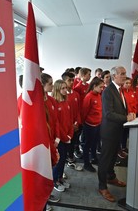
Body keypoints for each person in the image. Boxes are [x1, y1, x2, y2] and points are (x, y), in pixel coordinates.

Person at [98, 66, 136, 202]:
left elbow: (120, 109)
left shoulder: (120, 90)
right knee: (105, 159)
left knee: (114, 156)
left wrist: (128, 114)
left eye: (125, 73)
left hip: (117, 130)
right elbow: (108, 114)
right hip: (109, 131)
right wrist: (126, 118)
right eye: (122, 74)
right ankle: (102, 186)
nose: (125, 76)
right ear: (114, 76)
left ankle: (111, 176)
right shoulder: (108, 91)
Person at [41, 73, 61, 205]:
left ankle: (47, 195)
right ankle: (43, 200)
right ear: (42, 85)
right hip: (45, 145)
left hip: (54, 141)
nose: (52, 86)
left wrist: (58, 138)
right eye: (50, 84)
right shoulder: (36, 104)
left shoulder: (51, 100)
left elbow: (56, 121)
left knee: (49, 171)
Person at [52, 80, 74, 192]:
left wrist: (70, 134)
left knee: (64, 158)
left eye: (66, 88)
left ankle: (60, 178)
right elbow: (56, 124)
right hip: (60, 138)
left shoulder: (67, 102)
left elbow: (69, 120)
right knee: (59, 160)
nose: (66, 90)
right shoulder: (54, 103)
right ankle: (55, 180)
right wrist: (64, 137)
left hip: (67, 137)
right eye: (63, 88)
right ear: (57, 90)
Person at [61, 72, 83, 171]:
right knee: (66, 145)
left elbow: (78, 110)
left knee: (73, 142)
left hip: (75, 124)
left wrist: (77, 122)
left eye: (72, 80)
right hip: (67, 126)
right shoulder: (63, 97)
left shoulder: (76, 94)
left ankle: (71, 159)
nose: (71, 82)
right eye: (69, 80)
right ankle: (66, 162)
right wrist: (70, 125)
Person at [81, 77, 104, 172]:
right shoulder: (89, 97)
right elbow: (84, 112)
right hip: (89, 125)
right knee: (87, 145)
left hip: (97, 124)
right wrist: (83, 124)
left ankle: (94, 158)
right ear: (94, 86)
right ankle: (86, 163)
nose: (102, 89)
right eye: (100, 87)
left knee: (95, 143)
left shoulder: (98, 95)